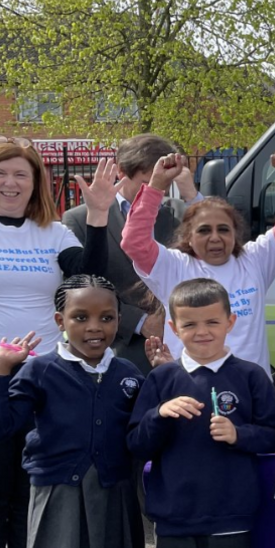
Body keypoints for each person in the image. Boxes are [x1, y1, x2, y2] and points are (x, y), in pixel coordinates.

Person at [0, 135, 114, 548]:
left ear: (35, 182)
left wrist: (99, 215)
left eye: (21, 175)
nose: (10, 183)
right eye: (0, 173)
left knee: (33, 485)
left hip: (44, 375)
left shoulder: (53, 234)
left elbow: (89, 283)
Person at [0, 275, 144, 548]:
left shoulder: (128, 373)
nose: (94, 327)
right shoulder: (40, 370)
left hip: (115, 493)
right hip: (58, 494)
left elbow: (144, 432)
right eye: (80, 317)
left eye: (106, 318)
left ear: (118, 319)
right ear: (60, 320)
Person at [127, 278, 275, 548]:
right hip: (173, 516)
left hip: (232, 516)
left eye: (212, 322)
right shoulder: (161, 378)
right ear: (174, 329)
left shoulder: (251, 376)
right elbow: (137, 445)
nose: (202, 332)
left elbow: (274, 435)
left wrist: (239, 435)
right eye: (189, 325)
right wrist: (159, 414)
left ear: (230, 322)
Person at [122, 150, 275, 372]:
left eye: (223, 229)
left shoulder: (254, 259)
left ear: (235, 233)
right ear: (188, 236)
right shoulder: (174, 266)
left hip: (249, 394)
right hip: (188, 394)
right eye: (204, 230)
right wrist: (156, 185)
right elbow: (134, 242)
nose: (215, 237)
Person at [64, 133, 190, 373]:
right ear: (121, 171)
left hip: (174, 348)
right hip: (116, 349)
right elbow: (79, 286)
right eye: (149, 182)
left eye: (164, 184)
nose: (158, 191)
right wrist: (139, 322)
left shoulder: (178, 215)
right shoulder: (79, 219)